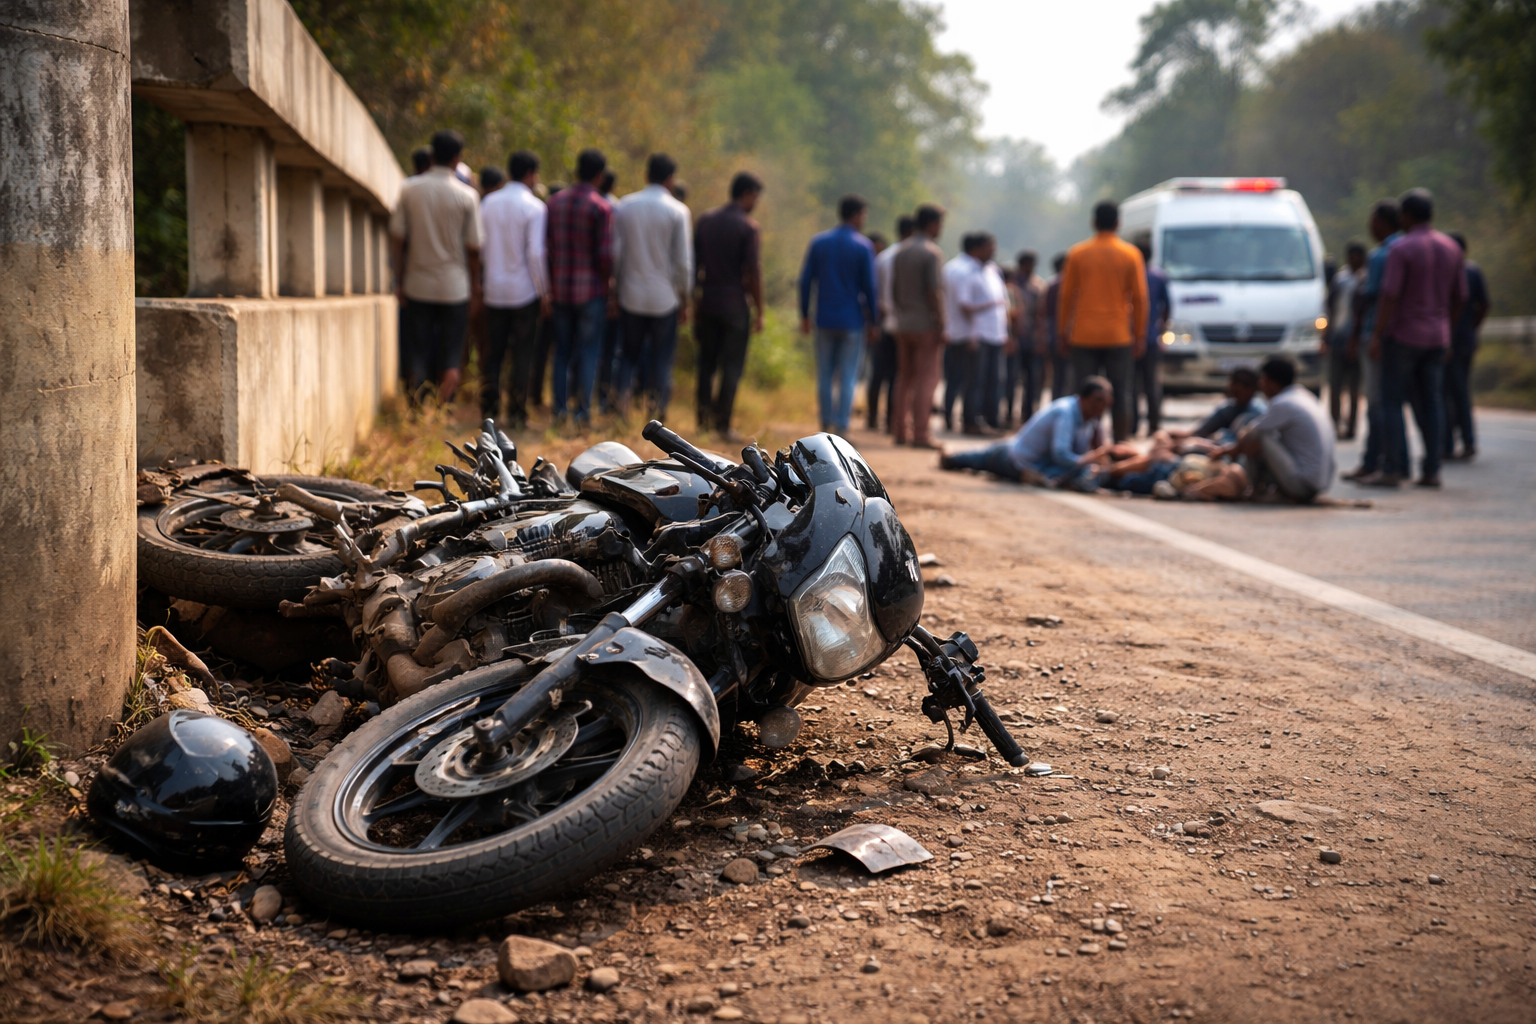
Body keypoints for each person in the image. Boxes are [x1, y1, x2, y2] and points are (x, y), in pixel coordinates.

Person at [1372, 188, 1466, 489]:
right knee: (1433, 402)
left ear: (1407, 216)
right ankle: (1431, 468)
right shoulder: (1451, 248)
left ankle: (1395, 467)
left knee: (1392, 402)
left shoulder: (1402, 249)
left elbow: (1390, 294)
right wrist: (1447, 330)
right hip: (1438, 337)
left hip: (1404, 336)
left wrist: (1377, 334)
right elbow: (1461, 297)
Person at [389, 129, 483, 402]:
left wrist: (399, 279)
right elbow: (474, 248)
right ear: (457, 158)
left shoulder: (410, 189)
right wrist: (475, 286)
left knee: (417, 346)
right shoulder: (467, 196)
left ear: (431, 155)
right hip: (455, 286)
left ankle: (417, 405)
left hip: (417, 283)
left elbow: (397, 239)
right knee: (451, 350)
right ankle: (446, 406)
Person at [611, 153, 692, 421]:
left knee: (628, 355)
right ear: (671, 179)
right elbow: (683, 262)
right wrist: (685, 298)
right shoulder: (678, 211)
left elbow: (616, 254)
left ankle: (621, 409)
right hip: (664, 297)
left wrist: (614, 289)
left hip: (630, 294)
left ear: (647, 175)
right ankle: (655, 415)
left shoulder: (625, 205)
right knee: (661, 358)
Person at [1058, 201, 1147, 441]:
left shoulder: (1078, 253)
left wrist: (1062, 333)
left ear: (1093, 223)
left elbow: (1066, 297)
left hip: (1083, 335)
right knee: (1120, 392)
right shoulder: (1130, 254)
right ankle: (1119, 443)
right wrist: (1140, 336)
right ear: (1118, 223)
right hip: (1118, 336)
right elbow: (1139, 299)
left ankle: (1080, 441)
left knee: (1082, 393)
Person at [937, 376, 1116, 491]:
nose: (1100, 407)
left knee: (983, 457)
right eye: (1097, 401)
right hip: (1017, 458)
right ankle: (950, 457)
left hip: (1022, 456)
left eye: (1105, 403)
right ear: (1082, 398)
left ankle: (952, 456)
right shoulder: (1066, 413)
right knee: (980, 458)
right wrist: (1092, 457)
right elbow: (1061, 454)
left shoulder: (1089, 419)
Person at [478, 149, 549, 427]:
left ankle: (489, 410)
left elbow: (481, 248)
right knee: (522, 353)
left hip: (494, 290)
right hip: (523, 292)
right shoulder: (534, 207)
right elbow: (535, 255)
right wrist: (544, 291)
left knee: (493, 352)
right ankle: (517, 412)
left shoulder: (488, 203)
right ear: (531, 174)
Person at [544, 148, 615, 426]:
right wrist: (608, 287)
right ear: (599, 175)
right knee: (588, 351)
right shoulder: (600, 207)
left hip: (560, 288)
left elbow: (547, 248)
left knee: (561, 351)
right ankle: (583, 410)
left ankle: (559, 410)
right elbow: (605, 256)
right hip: (590, 291)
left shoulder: (554, 203)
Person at [693, 171, 764, 440]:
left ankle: (702, 422)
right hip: (735, 305)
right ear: (747, 194)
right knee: (731, 367)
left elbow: (695, 265)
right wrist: (760, 310)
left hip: (708, 302)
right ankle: (722, 424)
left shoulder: (706, 221)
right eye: (755, 197)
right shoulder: (748, 227)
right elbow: (753, 271)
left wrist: (694, 300)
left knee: (706, 365)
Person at [799, 194, 878, 434]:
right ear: (856, 215)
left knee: (824, 373)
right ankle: (842, 426)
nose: (864, 219)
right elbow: (870, 288)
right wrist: (874, 320)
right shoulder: (863, 246)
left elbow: (805, 281)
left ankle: (824, 423)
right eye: (863, 215)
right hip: (852, 320)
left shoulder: (819, 242)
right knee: (848, 375)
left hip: (824, 317)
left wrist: (804, 314)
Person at [1217, 357, 1336, 503]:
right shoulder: (1304, 396)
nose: (1261, 386)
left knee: (1259, 436)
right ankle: (1263, 487)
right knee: (1264, 433)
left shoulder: (1282, 403)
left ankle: (1254, 490)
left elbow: (1251, 433)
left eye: (1263, 381)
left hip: (1303, 485)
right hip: (1321, 482)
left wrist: (1229, 451)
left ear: (1271, 382)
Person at [1343, 200, 1403, 485]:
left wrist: (1368, 336)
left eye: (1373, 219)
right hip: (1409, 336)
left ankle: (1377, 464)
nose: (1370, 225)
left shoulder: (1382, 256)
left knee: (1379, 403)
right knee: (1403, 402)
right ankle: (1402, 464)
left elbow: (1375, 298)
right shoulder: (1413, 249)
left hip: (1380, 334)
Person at [890, 203, 947, 448]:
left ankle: (900, 431)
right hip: (924, 323)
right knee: (926, 378)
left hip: (903, 321)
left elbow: (893, 289)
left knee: (905, 377)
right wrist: (941, 322)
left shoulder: (900, 251)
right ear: (932, 224)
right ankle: (921, 434)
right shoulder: (931, 252)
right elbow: (933, 291)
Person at [955, 233, 1009, 433]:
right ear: (977, 249)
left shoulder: (993, 271)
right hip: (980, 335)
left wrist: (1006, 333)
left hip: (996, 334)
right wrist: (990, 305)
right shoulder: (968, 272)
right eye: (989, 247)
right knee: (976, 379)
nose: (992, 251)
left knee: (995, 379)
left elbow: (1004, 305)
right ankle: (971, 421)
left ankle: (991, 420)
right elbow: (965, 306)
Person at [1444, 232, 1490, 461]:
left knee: (1452, 391)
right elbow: (1484, 305)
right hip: (1462, 338)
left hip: (1453, 340)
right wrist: (1473, 328)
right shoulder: (1472, 271)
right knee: (1459, 391)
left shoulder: (1457, 272)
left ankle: (1457, 442)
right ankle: (1464, 441)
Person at [868, 215, 913, 431]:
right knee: (898, 373)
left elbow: (874, 291)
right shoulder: (911, 256)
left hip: (883, 320)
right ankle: (891, 421)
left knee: (878, 372)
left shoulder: (883, 258)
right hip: (903, 323)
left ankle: (872, 417)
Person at [1326, 242, 1367, 439]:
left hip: (1357, 338)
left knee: (1353, 386)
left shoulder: (1366, 280)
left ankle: (1351, 426)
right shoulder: (1340, 280)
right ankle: (1334, 424)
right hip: (1339, 336)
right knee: (1335, 384)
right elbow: (1330, 308)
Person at [1006, 250, 1047, 426]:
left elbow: (1041, 315)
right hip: (1015, 338)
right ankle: (1008, 414)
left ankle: (1028, 414)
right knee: (1010, 378)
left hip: (1031, 339)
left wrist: (1040, 339)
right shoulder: (1012, 285)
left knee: (1032, 380)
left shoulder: (1037, 286)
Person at [1134, 241, 1170, 435]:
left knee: (1131, 384)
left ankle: (1132, 425)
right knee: (1151, 384)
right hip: (1150, 338)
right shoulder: (1159, 277)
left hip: (1130, 339)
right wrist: (1161, 330)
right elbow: (1167, 307)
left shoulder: (1131, 275)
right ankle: (1154, 425)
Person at [1181, 367, 1268, 444]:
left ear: (1252, 389)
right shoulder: (1228, 407)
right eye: (1233, 385)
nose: (1233, 390)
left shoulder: (1257, 412)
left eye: (1241, 387)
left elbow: (1239, 446)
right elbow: (1201, 431)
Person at [941, 237, 973, 431]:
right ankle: (959, 418)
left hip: (948, 330)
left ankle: (948, 418)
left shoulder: (949, 267)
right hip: (964, 333)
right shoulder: (968, 271)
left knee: (951, 379)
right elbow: (965, 304)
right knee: (964, 378)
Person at [1043, 252, 1069, 400]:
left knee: (1058, 375)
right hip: (1067, 336)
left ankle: (1056, 403)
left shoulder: (1050, 284)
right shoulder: (1067, 283)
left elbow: (1043, 312)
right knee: (1068, 376)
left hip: (1052, 335)